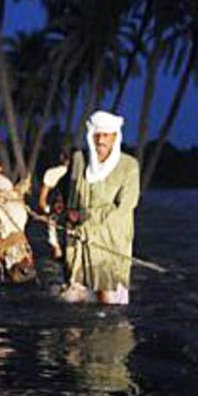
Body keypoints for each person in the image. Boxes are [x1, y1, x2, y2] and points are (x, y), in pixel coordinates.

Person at [60, 111, 140, 305]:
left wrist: (88, 219)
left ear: (115, 137)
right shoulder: (80, 160)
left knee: (110, 305)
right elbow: (69, 196)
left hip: (111, 244)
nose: (100, 139)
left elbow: (126, 206)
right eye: (97, 134)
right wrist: (65, 211)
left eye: (106, 135)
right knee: (76, 308)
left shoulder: (129, 165)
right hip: (79, 244)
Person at [37, 149, 71, 260]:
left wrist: (47, 210)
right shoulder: (53, 173)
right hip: (59, 210)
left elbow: (42, 199)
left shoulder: (51, 173)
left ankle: (58, 250)